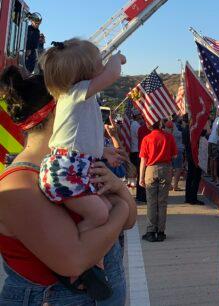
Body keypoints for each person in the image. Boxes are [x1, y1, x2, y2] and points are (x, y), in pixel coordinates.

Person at [0, 66, 136, 305]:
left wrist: (119, 188)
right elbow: (74, 260)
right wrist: (120, 204)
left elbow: (130, 221)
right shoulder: (17, 184)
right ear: (61, 114)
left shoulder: (74, 164)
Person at [38, 38, 127, 293]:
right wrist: (116, 59)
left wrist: (105, 151)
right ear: (85, 72)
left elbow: (81, 137)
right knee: (99, 213)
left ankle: (93, 261)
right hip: (66, 170)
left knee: (106, 207)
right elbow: (111, 74)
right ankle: (73, 258)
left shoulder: (78, 98)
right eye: (97, 62)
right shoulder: (76, 92)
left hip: (71, 165)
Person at [139, 119, 177, 242]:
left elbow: (143, 160)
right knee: (162, 202)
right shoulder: (169, 137)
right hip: (165, 168)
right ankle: (161, 231)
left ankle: (151, 231)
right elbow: (174, 155)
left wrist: (141, 177)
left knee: (151, 202)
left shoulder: (147, 139)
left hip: (151, 168)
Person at [167, 120, 185, 191]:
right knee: (178, 169)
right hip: (178, 151)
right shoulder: (178, 133)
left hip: (170, 152)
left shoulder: (167, 134)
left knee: (170, 169)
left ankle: (170, 185)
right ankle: (175, 186)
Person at [136, 117, 150, 202]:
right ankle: (144, 196)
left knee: (140, 175)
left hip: (140, 152)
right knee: (145, 176)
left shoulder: (140, 129)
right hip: (147, 154)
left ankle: (139, 195)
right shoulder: (147, 130)